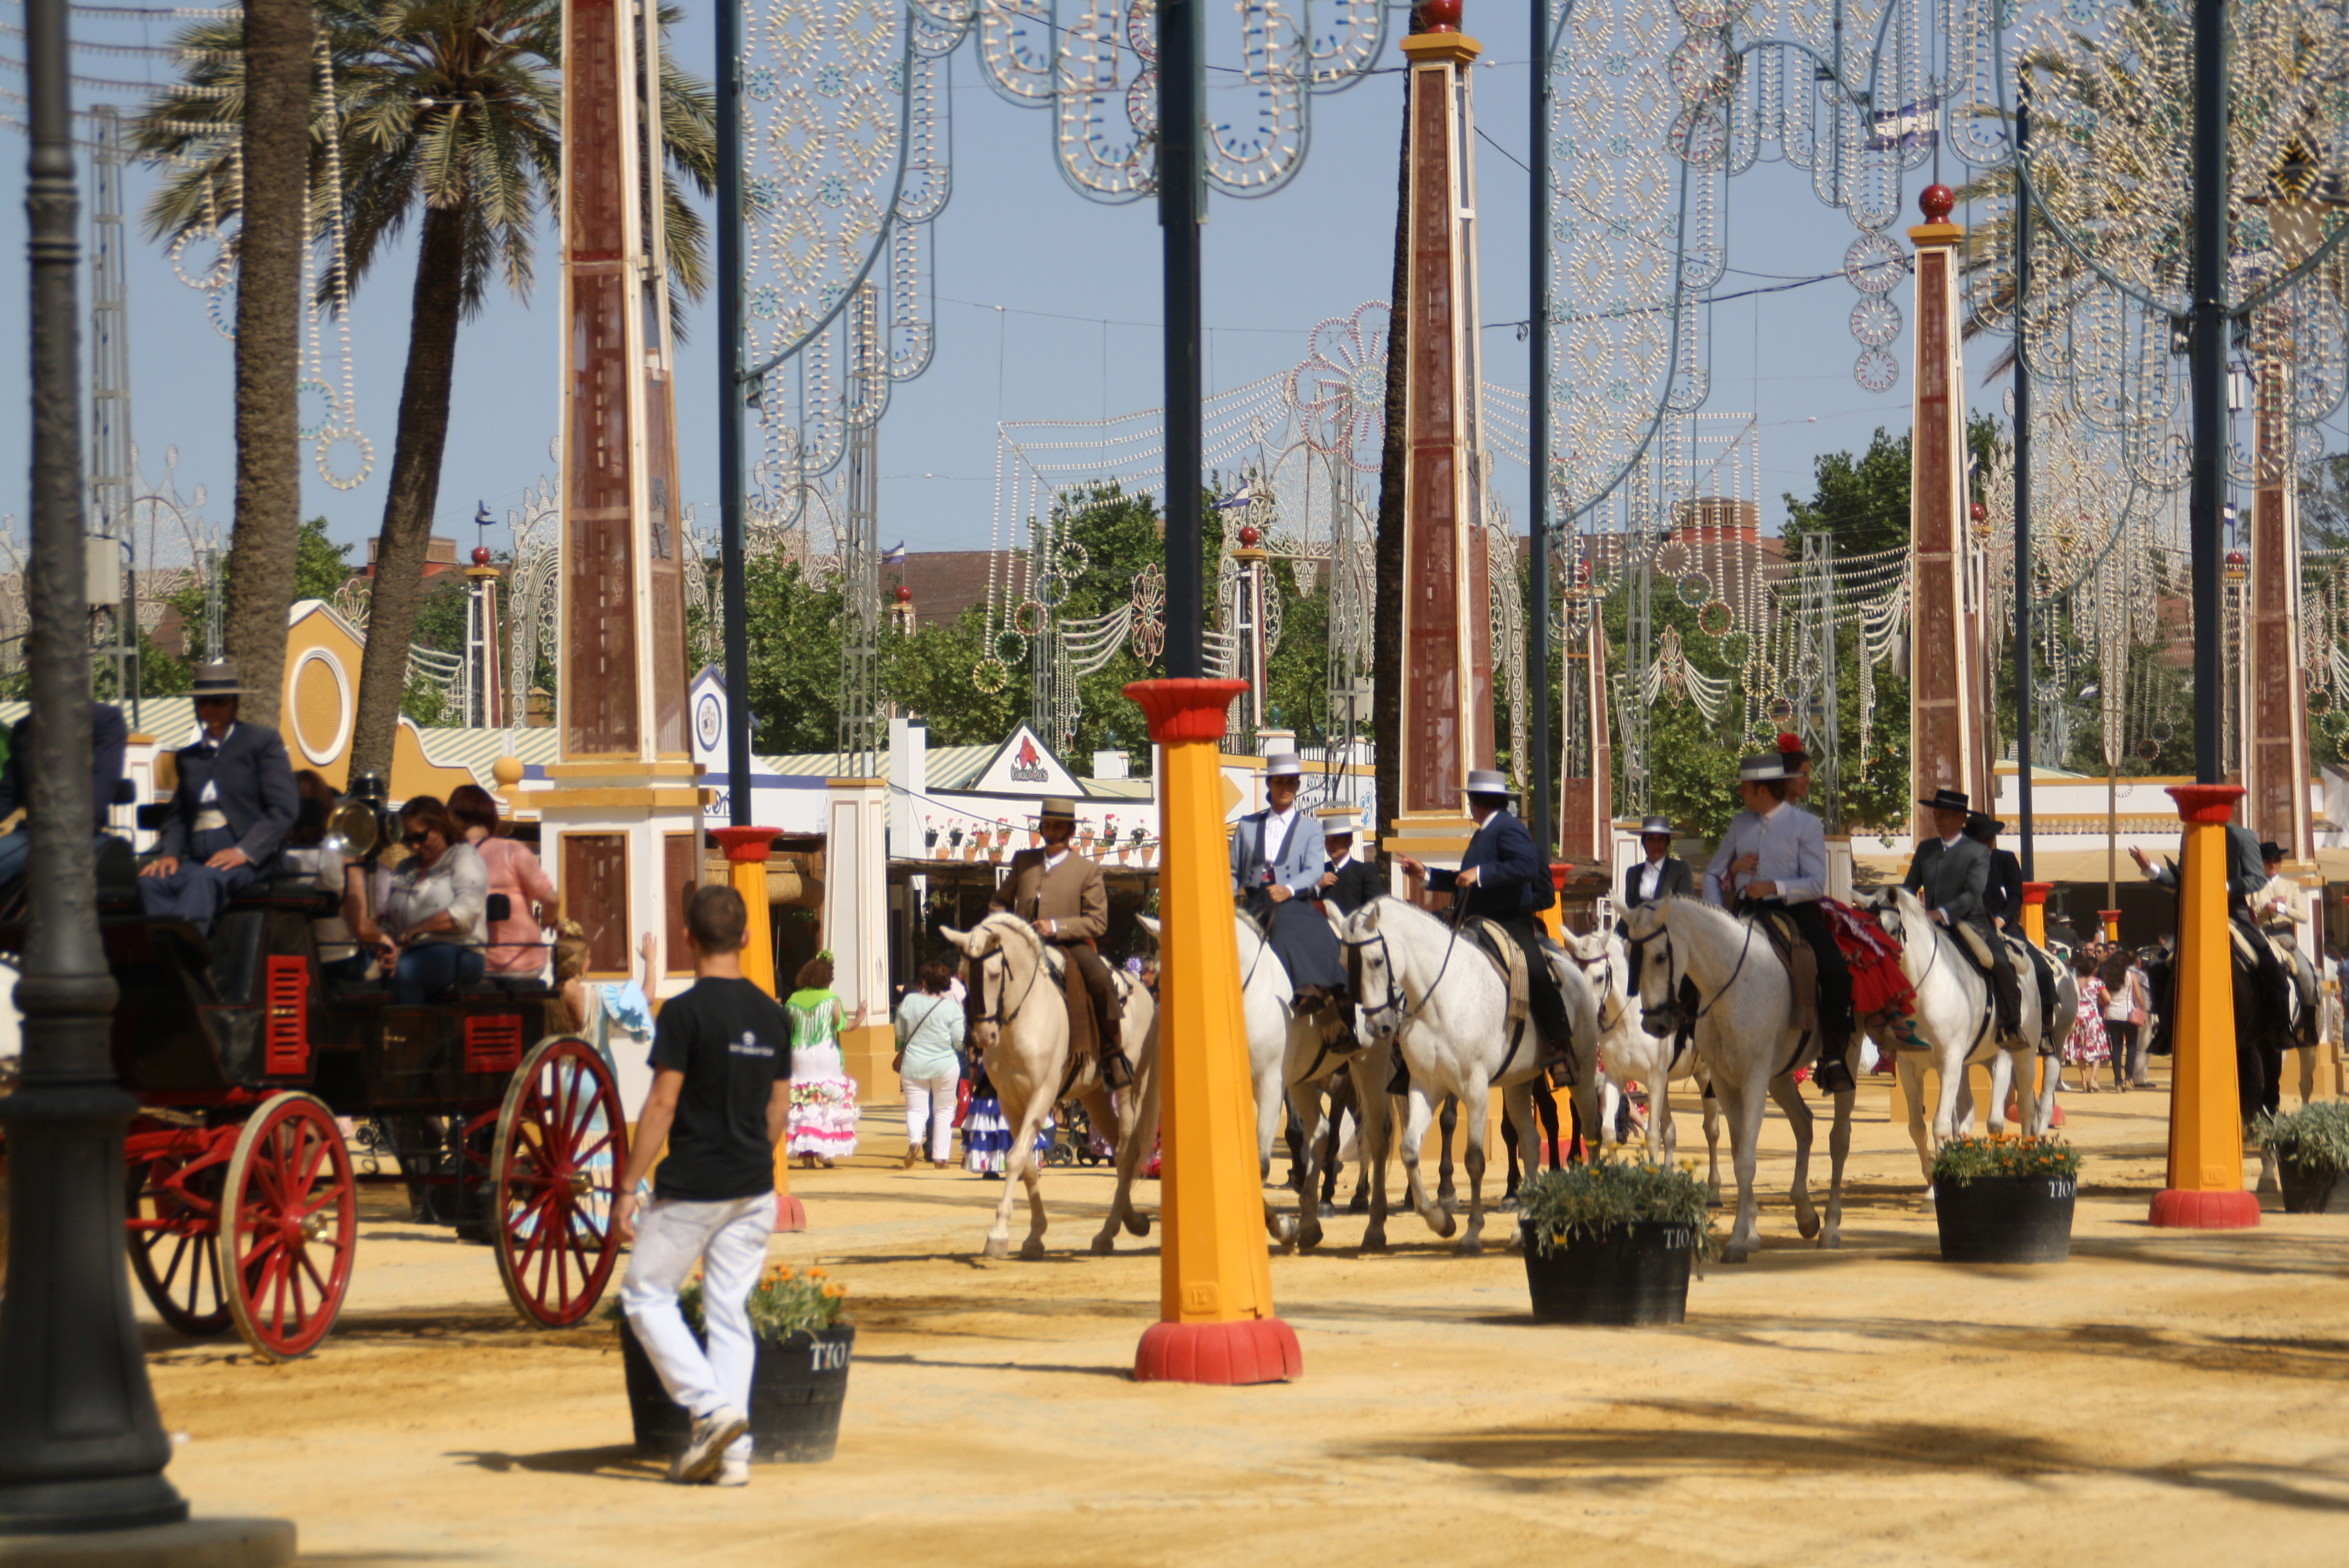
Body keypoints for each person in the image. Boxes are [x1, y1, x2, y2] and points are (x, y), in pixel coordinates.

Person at [611, 884, 792, 1488]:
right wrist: (749, 1159)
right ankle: (733, 1457)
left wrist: (627, 1185)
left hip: (693, 1183)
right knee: (728, 1311)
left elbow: (662, 1103)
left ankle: (711, 1412)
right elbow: (778, 1112)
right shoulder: (773, 1013)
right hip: (752, 1185)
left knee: (644, 1295)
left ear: (688, 939)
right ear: (744, 938)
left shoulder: (683, 1013)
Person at [1395, 769, 1577, 1093]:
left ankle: (1559, 1046)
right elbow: (1462, 880)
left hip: (1509, 921)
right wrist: (1425, 875)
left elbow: (1522, 867)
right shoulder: (1484, 834)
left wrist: (1479, 873)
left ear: (1474, 801)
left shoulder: (1509, 828)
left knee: (1536, 971)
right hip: (1476, 921)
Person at [1705, 752, 1856, 1094]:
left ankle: (1833, 1055)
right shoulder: (1739, 823)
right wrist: (1718, 915)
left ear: (1762, 789)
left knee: (1835, 973)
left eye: (1745, 788)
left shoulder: (1807, 825)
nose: (1741, 794)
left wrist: (1774, 886)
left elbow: (1817, 883)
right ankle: (1703, 1049)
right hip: (1745, 912)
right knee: (1695, 971)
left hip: (1797, 913)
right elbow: (1714, 874)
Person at [138, 662, 299, 932]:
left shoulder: (261, 742)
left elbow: (284, 809)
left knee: (204, 879)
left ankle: (186, 953)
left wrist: (244, 851)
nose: (210, 709)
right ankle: (171, 950)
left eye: (219, 701)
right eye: (203, 703)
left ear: (234, 703)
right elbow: (178, 815)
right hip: (199, 860)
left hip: (250, 861)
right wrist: (170, 854)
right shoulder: (188, 758)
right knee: (151, 881)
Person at [993, 798, 1131, 1088]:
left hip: (1070, 945)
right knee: (984, 974)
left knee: (1102, 979)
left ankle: (1112, 1052)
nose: (1051, 830)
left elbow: (1098, 922)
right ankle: (982, 1053)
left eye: (1058, 826)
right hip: (1022, 943)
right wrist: (1002, 928)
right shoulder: (1024, 861)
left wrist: (1055, 926)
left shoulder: (1087, 870)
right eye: (1046, 825)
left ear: (1070, 830)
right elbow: (999, 901)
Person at [1901, 787, 2022, 1045]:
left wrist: (1942, 912)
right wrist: (1894, 902)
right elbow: (1910, 886)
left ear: (1960, 819)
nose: (1938, 820)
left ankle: (2011, 1024)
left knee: (2000, 961)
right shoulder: (1926, 848)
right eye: (1936, 815)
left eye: (1944, 815)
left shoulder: (1977, 851)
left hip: (1971, 920)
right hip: (1928, 922)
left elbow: (1973, 892)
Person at [1230, 755, 1351, 1008]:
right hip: (1254, 903)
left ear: (1297, 786)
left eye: (1290, 783)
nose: (1285, 788)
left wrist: (1289, 889)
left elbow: (1314, 869)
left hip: (1293, 902)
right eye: (1279, 782)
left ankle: (1319, 997)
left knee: (1300, 929)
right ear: (1269, 784)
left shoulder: (1311, 828)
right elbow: (1233, 871)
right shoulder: (1246, 825)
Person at [0, 697, 130, 886]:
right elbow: (7, 794)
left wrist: (71, 828)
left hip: (81, 836)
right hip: (31, 833)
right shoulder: (25, 728)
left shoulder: (103, 719)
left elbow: (104, 781)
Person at [375, 795, 489, 1004]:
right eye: (408, 840)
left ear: (441, 827)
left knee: (405, 973)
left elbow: (466, 913)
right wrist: (385, 946)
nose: (415, 847)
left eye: (420, 837)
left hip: (459, 951)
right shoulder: (405, 867)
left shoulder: (464, 856)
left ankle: (411, 1032)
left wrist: (419, 928)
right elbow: (391, 920)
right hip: (410, 953)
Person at [448, 782, 557, 987]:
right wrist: (549, 921)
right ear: (491, 818)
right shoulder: (512, 850)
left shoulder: (448, 859)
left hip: (473, 967)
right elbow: (551, 899)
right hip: (526, 964)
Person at [281, 771, 385, 983]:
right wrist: (385, 940)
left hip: (288, 957)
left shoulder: (275, 852)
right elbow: (362, 928)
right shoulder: (342, 852)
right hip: (337, 959)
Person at [784, 952, 858, 1167]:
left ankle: (807, 1153)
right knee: (827, 1102)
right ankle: (824, 1150)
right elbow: (843, 1025)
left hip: (799, 1052)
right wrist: (861, 1016)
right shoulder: (830, 999)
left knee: (803, 1100)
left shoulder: (793, 999)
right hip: (826, 1051)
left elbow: (786, 1027)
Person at [894, 959, 965, 1169]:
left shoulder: (909, 1001)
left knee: (916, 1109)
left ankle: (915, 1141)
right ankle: (940, 1158)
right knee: (943, 1110)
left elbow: (900, 1033)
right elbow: (959, 1041)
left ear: (923, 980)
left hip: (914, 1063)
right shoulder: (951, 1007)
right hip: (945, 1064)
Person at [1621, 813, 1693, 995]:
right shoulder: (1633, 872)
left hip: (1669, 934)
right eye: (1651, 839)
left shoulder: (1680, 869)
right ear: (1644, 843)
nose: (1656, 845)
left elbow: (1684, 905)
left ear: (1667, 843)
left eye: (1661, 840)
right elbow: (1631, 906)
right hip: (1640, 935)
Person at [1965, 813, 2026, 930]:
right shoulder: (1959, 862)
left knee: (2025, 948)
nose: (1987, 843)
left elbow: (2016, 896)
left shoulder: (2004, 860)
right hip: (1966, 923)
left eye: (1989, 838)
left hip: (2000, 924)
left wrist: (2001, 919)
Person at [2065, 947, 2111, 1092]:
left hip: (2077, 1017)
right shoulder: (2097, 982)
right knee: (2096, 1047)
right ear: (2093, 969)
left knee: (2079, 1049)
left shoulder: (2074, 981)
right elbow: (2108, 999)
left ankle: (2083, 1080)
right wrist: (2101, 1002)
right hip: (2092, 1017)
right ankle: (2093, 1077)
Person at [2100, 947, 2146, 1091]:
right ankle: (2128, 1078)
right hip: (2128, 1014)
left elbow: (2103, 997)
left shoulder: (2107, 976)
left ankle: (2118, 1081)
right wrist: (2143, 1011)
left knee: (2116, 1048)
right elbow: (2138, 996)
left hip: (2112, 1014)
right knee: (2131, 1046)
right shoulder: (2131, 976)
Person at [1315, 823, 1382, 917]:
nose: (1330, 845)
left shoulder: (1364, 871)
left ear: (1349, 842)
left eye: (1336, 840)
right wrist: (1318, 886)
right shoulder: (1318, 871)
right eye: (1327, 840)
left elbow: (1376, 905)